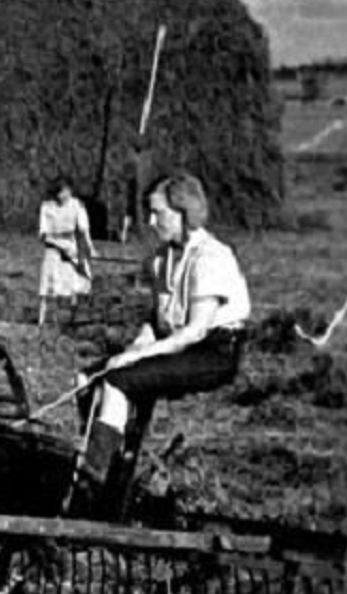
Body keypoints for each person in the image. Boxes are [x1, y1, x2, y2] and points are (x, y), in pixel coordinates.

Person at [68, 172, 250, 521]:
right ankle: (108, 470)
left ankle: (88, 496)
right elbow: (157, 321)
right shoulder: (162, 259)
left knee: (118, 380)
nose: (150, 222)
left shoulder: (211, 257)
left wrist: (136, 356)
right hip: (177, 344)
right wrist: (136, 345)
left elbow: (195, 331)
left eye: (158, 213)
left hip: (213, 352)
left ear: (184, 212)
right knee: (87, 378)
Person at [37, 176, 96, 326]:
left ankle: (72, 319)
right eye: (59, 192)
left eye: (65, 192)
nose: (62, 196)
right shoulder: (46, 206)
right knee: (49, 286)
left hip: (72, 248)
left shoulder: (77, 205)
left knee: (74, 284)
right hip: (53, 249)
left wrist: (90, 248)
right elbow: (43, 234)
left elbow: (83, 229)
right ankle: (41, 321)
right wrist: (57, 244)